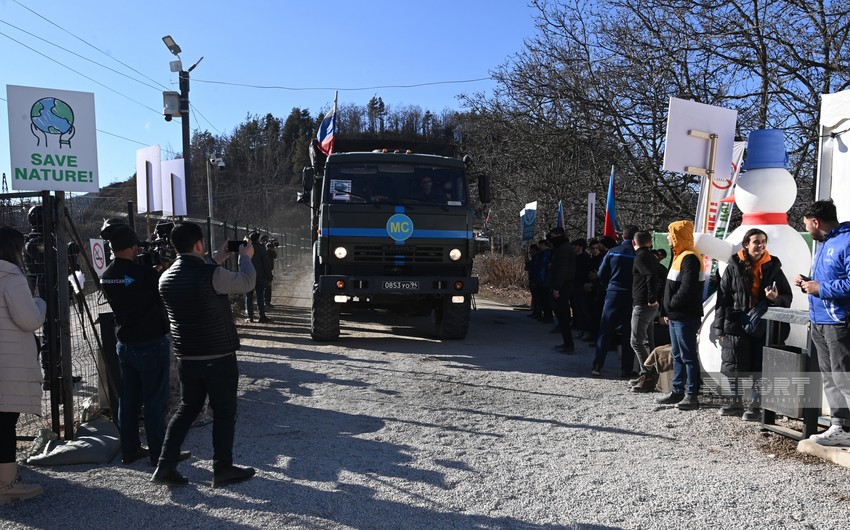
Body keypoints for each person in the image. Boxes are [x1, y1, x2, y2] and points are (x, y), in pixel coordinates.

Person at [152, 222, 257, 488]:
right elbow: (247, 282)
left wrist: (216, 258)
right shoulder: (213, 274)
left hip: (187, 356)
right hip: (218, 355)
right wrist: (246, 258)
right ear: (199, 244)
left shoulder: (165, 278)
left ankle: (165, 466)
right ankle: (222, 469)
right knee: (224, 412)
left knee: (187, 409)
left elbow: (195, 275)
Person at [100, 222, 177, 466]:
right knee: (155, 400)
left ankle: (130, 449)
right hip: (150, 341)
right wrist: (161, 269)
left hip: (125, 342)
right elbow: (159, 293)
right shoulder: (144, 274)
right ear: (133, 247)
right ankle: (160, 455)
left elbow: (132, 284)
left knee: (129, 399)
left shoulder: (108, 275)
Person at [713, 228, 792, 420]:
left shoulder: (773, 267)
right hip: (736, 322)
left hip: (762, 324)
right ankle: (735, 402)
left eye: (763, 241)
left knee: (760, 365)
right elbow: (723, 298)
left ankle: (756, 406)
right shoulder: (733, 266)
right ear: (746, 244)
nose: (760, 245)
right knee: (735, 363)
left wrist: (775, 298)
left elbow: (787, 297)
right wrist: (719, 326)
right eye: (756, 241)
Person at [797, 200, 850, 446]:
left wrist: (821, 287)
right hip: (819, 320)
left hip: (839, 321)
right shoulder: (826, 243)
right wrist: (810, 282)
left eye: (806, 224)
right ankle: (841, 427)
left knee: (844, 378)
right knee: (830, 378)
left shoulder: (846, 241)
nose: (807, 228)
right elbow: (829, 280)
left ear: (815, 222)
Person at [0, 226, 47, 504]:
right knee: (5, 422)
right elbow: (29, 320)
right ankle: (7, 484)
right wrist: (39, 301)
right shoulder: (12, 276)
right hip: (9, 364)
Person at [657, 220, 705, 410]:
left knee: (687, 355)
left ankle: (691, 395)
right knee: (677, 354)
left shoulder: (690, 257)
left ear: (677, 235)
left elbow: (688, 288)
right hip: (677, 315)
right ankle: (678, 391)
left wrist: (672, 307)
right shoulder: (680, 255)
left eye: (670, 233)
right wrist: (668, 310)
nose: (668, 237)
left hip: (685, 315)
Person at [591, 225, 639, 377]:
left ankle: (598, 365)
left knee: (605, 329)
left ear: (622, 237)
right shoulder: (639, 255)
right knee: (628, 332)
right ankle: (626, 369)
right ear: (635, 238)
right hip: (631, 295)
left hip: (613, 293)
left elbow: (601, 273)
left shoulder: (612, 252)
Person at [629, 231, 665, 392]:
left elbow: (650, 275)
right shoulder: (652, 257)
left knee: (636, 341)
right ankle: (651, 374)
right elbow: (663, 274)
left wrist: (651, 297)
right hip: (651, 305)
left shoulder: (640, 257)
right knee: (648, 341)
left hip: (643, 304)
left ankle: (647, 375)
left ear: (633, 243)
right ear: (650, 243)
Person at [548, 227, 575, 353]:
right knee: (561, 313)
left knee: (563, 314)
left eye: (553, 236)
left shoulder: (564, 249)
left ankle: (569, 344)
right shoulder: (562, 248)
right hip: (563, 284)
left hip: (563, 286)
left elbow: (562, 270)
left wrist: (557, 287)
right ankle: (567, 342)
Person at [245, 232, 273, 323]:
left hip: (248, 275)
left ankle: (250, 316)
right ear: (258, 239)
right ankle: (262, 316)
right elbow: (266, 264)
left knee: (249, 296)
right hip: (259, 275)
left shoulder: (246, 248)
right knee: (260, 295)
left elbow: (240, 262)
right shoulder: (261, 249)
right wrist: (269, 277)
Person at [570, 238, 593, 339]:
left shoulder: (586, 258)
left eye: (575, 246)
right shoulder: (574, 257)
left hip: (583, 286)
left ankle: (588, 330)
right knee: (577, 309)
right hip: (574, 285)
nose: (573, 248)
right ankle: (580, 329)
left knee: (585, 310)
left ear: (580, 247)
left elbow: (588, 272)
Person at [262, 236, 277, 308]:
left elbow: (275, 256)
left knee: (268, 286)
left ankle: (267, 301)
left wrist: (272, 249)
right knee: (266, 286)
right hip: (264, 270)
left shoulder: (270, 251)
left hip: (268, 270)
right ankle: (265, 301)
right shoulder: (262, 250)